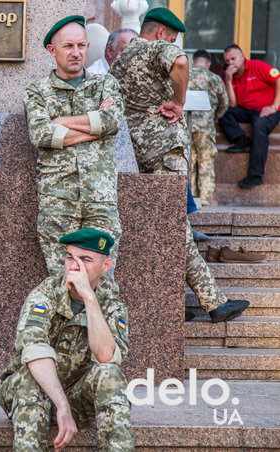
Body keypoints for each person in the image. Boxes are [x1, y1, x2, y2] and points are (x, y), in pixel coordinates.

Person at [110, 7, 249, 323]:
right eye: (172, 38)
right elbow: (181, 61)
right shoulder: (154, 47)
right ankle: (213, 301)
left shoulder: (123, 57)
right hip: (163, 149)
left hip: (136, 151)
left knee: (164, 226)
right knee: (175, 224)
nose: (172, 43)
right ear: (161, 34)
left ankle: (178, 301)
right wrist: (179, 99)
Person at [0, 228, 133, 452]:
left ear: (105, 266)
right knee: (31, 379)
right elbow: (33, 351)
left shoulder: (111, 305)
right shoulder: (45, 294)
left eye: (86, 259)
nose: (74, 266)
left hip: (78, 397)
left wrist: (89, 297)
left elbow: (106, 357)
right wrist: (62, 405)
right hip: (29, 392)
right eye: (70, 257)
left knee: (110, 374)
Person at [24, 15, 124, 279]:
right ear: (51, 50)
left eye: (81, 45)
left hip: (100, 199)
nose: (76, 52)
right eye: (68, 46)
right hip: (58, 200)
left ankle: (101, 323)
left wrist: (61, 122)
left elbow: (111, 120)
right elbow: (42, 134)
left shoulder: (106, 84)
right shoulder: (37, 91)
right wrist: (94, 130)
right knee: (62, 280)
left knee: (103, 280)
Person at [219, 43, 280, 188]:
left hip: (268, 109)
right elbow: (232, 104)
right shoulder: (230, 76)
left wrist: (274, 106)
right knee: (222, 111)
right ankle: (241, 141)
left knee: (259, 128)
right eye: (227, 61)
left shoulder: (257, 66)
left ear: (242, 57)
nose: (230, 63)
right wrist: (228, 79)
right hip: (247, 110)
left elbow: (278, 79)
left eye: (233, 59)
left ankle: (255, 175)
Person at [87, 27, 139, 174]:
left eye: (136, 52)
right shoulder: (93, 76)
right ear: (110, 52)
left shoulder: (134, 76)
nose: (133, 58)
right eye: (127, 51)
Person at [188, 49, 229, 205]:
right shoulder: (214, 78)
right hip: (206, 127)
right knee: (206, 161)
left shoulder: (186, 74)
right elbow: (224, 103)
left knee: (188, 162)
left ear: (193, 61)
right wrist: (214, 117)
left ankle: (188, 198)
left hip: (185, 126)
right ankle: (205, 199)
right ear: (209, 63)